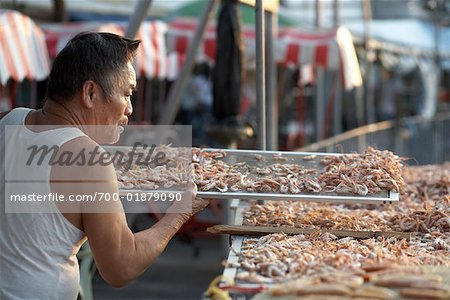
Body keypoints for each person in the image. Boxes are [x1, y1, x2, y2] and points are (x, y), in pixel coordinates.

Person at [0, 32, 209, 299]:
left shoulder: (8, 120)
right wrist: (179, 213)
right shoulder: (88, 158)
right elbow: (120, 266)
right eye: (127, 94)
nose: (130, 109)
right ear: (90, 93)